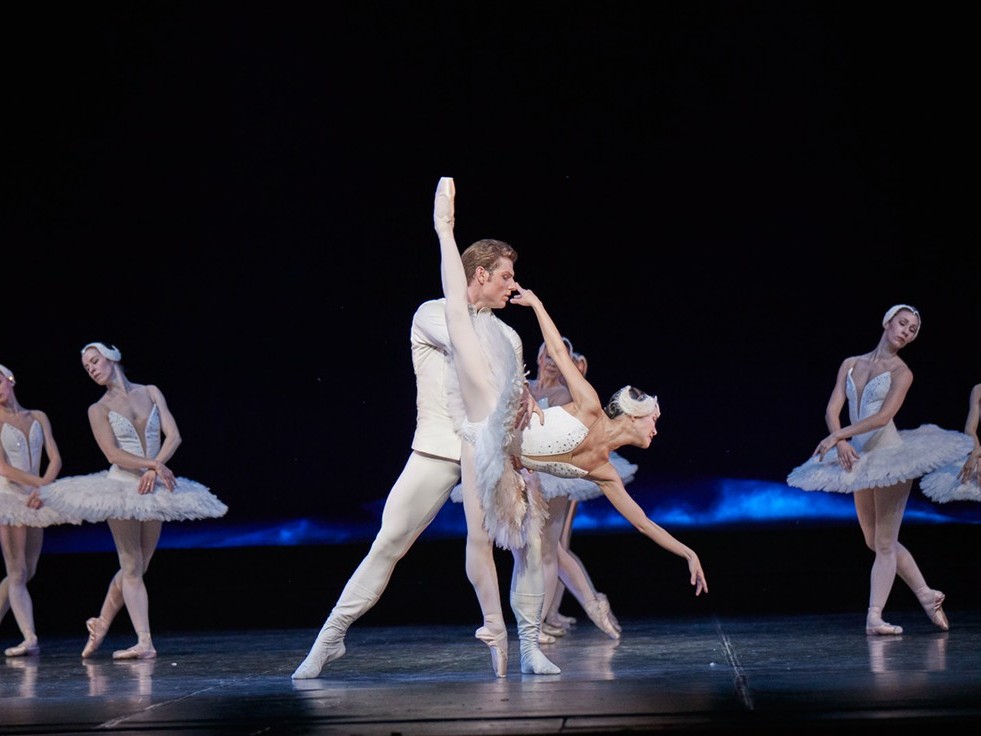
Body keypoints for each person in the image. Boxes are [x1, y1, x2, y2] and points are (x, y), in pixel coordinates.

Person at [433, 177, 707, 673]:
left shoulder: (605, 470)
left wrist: (687, 551)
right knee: (463, 325)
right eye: (656, 423)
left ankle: (531, 646)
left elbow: (643, 522)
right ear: (637, 416)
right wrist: (536, 304)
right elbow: (558, 351)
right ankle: (445, 231)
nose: (656, 433)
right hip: (491, 433)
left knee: (536, 551)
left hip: (513, 466)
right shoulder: (589, 408)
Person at [292, 236, 537, 679]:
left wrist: (523, 404)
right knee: (388, 543)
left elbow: (510, 398)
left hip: (485, 453)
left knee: (501, 544)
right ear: (479, 274)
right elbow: (469, 351)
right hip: (438, 448)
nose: (512, 285)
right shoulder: (432, 314)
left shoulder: (509, 336)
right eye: (505, 276)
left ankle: (512, 641)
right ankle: (331, 636)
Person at [786, 305, 973, 635]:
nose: (906, 331)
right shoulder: (850, 364)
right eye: (903, 324)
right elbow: (833, 409)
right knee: (873, 541)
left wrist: (840, 435)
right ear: (887, 322)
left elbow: (882, 417)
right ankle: (927, 595)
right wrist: (842, 442)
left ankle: (875, 617)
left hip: (890, 459)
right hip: (860, 459)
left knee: (885, 543)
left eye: (913, 330)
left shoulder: (902, 373)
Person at [42, 342, 227, 660]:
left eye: (96, 362)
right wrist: (152, 465)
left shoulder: (151, 391)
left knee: (139, 566)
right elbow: (113, 454)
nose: (93, 369)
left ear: (112, 358)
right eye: (88, 367)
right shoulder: (97, 409)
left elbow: (174, 435)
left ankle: (101, 622)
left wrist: (155, 467)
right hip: (123, 488)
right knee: (130, 566)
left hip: (151, 487)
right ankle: (145, 641)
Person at [529, 344, 633, 641]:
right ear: (538, 358)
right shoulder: (524, 386)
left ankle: (549, 618)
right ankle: (555, 613)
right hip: (526, 473)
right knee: (538, 549)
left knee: (551, 547)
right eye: (547, 355)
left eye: (558, 357)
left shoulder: (566, 394)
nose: (551, 362)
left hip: (556, 474)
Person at [0, 362, 70, 657]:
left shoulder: (38, 416)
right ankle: (30, 638)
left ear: (10, 380)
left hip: (37, 497)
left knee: (28, 571)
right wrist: (39, 484)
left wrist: (44, 487)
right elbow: (2, 467)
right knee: (16, 572)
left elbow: (54, 457)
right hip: (10, 497)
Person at [920, 383, 981, 503]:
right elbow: (970, 428)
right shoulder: (978, 390)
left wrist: (976, 455)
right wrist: (976, 455)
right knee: (972, 477)